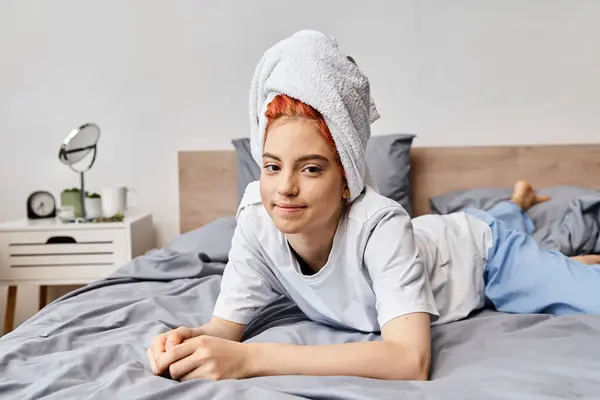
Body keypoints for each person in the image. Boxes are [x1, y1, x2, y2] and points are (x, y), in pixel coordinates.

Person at [146, 31, 600, 382]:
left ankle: (518, 213)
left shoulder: (380, 224)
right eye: (270, 165)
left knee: (579, 290)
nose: (284, 188)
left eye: (310, 169)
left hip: (482, 254)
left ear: (347, 181)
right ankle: (518, 203)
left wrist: (249, 359)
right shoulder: (255, 218)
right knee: (533, 250)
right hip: (434, 247)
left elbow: (409, 360)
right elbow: (226, 327)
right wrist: (186, 341)